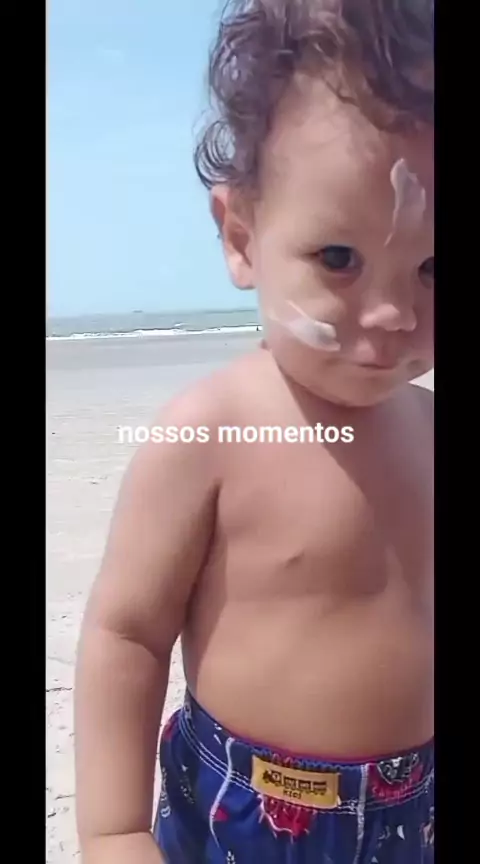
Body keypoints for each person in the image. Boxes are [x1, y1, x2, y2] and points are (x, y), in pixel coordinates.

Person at [74, 1, 434, 861]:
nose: (394, 313)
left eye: (434, 268)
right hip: (255, 813)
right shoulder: (212, 431)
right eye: (339, 259)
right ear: (241, 237)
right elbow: (126, 633)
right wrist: (114, 829)